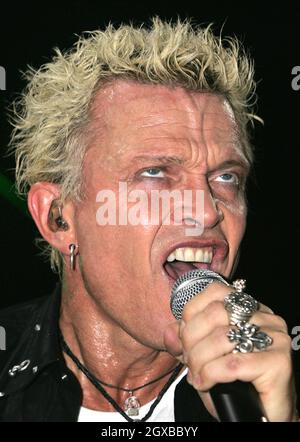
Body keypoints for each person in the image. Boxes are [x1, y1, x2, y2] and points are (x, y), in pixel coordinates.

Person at [0, 18, 298, 422]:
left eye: (226, 177)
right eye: (155, 172)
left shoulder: (278, 385)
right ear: (58, 218)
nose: (208, 211)